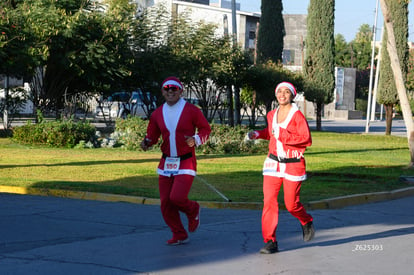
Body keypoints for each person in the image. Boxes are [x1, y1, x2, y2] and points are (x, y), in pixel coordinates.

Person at [140, 76, 211, 246]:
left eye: (174, 88)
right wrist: (147, 142)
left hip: (185, 161)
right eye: (167, 89)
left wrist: (196, 139)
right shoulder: (157, 113)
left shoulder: (192, 110)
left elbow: (205, 129)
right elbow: (153, 135)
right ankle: (179, 234)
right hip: (166, 163)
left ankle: (193, 209)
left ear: (181, 91)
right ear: (162, 91)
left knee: (177, 197)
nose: (170, 91)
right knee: (165, 202)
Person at [248, 81, 315, 254]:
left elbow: (306, 139)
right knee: (269, 202)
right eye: (279, 91)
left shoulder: (297, 115)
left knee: (291, 204)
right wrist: (258, 134)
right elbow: (271, 133)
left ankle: (306, 220)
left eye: (286, 92)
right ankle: (270, 241)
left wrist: (283, 135)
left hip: (293, 164)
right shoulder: (272, 114)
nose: (282, 95)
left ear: (292, 95)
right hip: (273, 163)